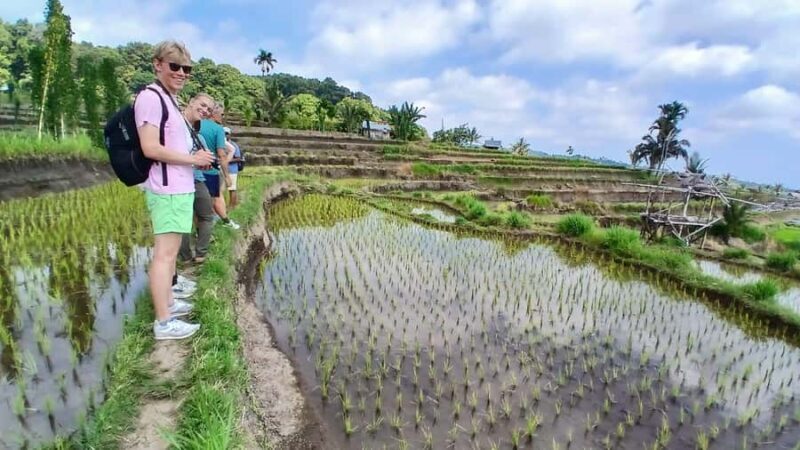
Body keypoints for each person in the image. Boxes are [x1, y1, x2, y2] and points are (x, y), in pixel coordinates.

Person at [136, 40, 214, 340]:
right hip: (166, 189)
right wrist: (194, 159)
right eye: (175, 66)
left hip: (179, 187)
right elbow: (150, 147)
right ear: (158, 64)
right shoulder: (151, 98)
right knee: (165, 256)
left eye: (187, 69)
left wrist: (194, 160)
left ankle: (168, 303)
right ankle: (164, 323)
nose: (181, 73)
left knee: (169, 256)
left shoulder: (169, 100)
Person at [179, 93, 217, 264]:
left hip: (196, 179)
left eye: (208, 109)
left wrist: (205, 162)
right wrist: (195, 160)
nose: (205, 110)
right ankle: (190, 256)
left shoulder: (198, 137)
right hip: (179, 181)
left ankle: (195, 255)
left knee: (205, 216)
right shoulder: (176, 127)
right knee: (187, 220)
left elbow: (206, 160)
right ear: (191, 102)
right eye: (202, 105)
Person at [199, 102, 239, 229]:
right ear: (214, 114)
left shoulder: (197, 123)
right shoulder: (218, 129)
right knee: (216, 197)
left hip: (194, 169)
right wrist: (227, 176)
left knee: (197, 201)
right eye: (222, 114)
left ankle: (199, 228)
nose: (223, 117)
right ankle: (226, 222)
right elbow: (221, 154)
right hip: (210, 170)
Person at [224, 127, 241, 209]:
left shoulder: (234, 145)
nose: (225, 135)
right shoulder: (220, 144)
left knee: (232, 188)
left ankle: (232, 206)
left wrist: (227, 160)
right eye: (223, 133)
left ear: (230, 135)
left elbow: (238, 158)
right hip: (222, 170)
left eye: (226, 133)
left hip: (232, 170)